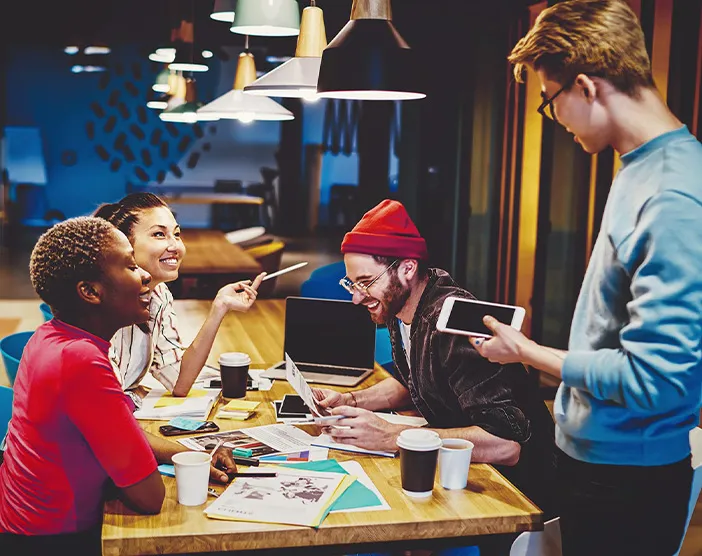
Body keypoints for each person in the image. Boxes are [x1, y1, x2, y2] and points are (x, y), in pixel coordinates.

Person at [470, 1, 702, 554]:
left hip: (626, 477)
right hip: (598, 459)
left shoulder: (672, 195)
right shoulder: (640, 167)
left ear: (586, 86)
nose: (558, 121)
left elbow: (657, 378)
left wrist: (526, 351)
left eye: (551, 104)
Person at [0, 217, 236, 554]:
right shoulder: (82, 361)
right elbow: (150, 497)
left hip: (19, 525)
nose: (145, 275)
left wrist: (195, 454)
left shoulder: (51, 337)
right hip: (51, 540)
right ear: (91, 292)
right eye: (130, 266)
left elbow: (122, 432)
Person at [314, 199, 556, 516]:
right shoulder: (399, 307)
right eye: (352, 283)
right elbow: (415, 380)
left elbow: (508, 444)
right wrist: (353, 401)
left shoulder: (452, 320)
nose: (357, 297)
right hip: (460, 472)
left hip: (515, 496)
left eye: (366, 282)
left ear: (408, 268)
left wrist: (391, 436)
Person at [94, 193, 266, 400]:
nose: (175, 246)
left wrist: (219, 307)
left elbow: (179, 382)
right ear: (123, 245)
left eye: (176, 234)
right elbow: (102, 400)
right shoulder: (99, 304)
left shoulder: (159, 293)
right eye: (159, 234)